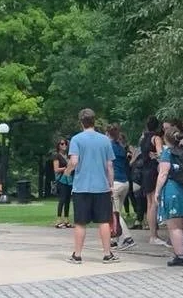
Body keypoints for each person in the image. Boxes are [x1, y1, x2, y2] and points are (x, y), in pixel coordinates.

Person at [66, 108, 120, 265]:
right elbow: (109, 165)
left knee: (80, 222)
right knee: (103, 221)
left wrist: (68, 171)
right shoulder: (104, 140)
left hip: (81, 187)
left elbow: (74, 161)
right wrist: (110, 184)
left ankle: (77, 255)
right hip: (101, 187)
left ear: (81, 122)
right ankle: (107, 254)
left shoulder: (76, 139)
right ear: (94, 121)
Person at [155, 126, 183, 267]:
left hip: (173, 190)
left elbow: (163, 174)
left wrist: (157, 191)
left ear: (166, 139)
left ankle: (180, 256)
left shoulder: (168, 153)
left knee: (174, 226)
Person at [137, 116, 168, 245]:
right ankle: (154, 235)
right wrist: (157, 155)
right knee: (154, 203)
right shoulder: (156, 138)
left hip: (145, 171)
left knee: (150, 203)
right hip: (154, 171)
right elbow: (161, 155)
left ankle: (152, 234)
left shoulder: (143, 139)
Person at [106, 124, 136, 251]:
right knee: (117, 210)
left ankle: (127, 238)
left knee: (115, 213)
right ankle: (115, 240)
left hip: (116, 182)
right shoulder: (121, 147)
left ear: (107, 134)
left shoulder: (108, 147)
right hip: (125, 182)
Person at [52, 139, 73, 228]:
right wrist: (66, 168)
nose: (64, 145)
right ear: (58, 146)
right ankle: (58, 220)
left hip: (69, 180)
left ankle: (66, 220)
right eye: (62, 144)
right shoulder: (57, 156)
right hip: (61, 180)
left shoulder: (68, 156)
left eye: (66, 144)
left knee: (68, 200)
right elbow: (56, 169)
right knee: (62, 200)